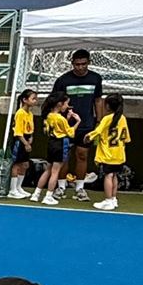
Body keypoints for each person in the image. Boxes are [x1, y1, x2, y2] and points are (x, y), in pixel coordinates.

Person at [52, 48, 102, 201]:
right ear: (72, 63)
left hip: (86, 125)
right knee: (64, 156)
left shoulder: (96, 79)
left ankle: (80, 188)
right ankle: (61, 187)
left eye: (83, 64)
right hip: (65, 126)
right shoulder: (63, 80)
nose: (80, 67)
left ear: (89, 63)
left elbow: (98, 100)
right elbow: (54, 102)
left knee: (82, 155)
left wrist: (99, 122)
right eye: (77, 64)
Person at [28, 92, 78, 206]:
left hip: (51, 143)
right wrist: (77, 122)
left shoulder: (49, 116)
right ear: (60, 104)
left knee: (48, 170)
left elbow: (58, 128)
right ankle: (48, 196)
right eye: (66, 104)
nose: (67, 106)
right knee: (55, 172)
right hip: (60, 144)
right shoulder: (60, 118)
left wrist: (67, 119)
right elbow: (70, 133)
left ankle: (36, 194)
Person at [83, 92, 130, 211]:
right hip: (119, 153)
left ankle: (108, 200)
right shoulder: (122, 118)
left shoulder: (107, 119)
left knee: (108, 176)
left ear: (108, 106)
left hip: (108, 154)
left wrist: (88, 137)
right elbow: (126, 137)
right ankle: (113, 198)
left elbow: (98, 131)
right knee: (114, 175)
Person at [7, 88, 37, 200]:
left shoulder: (30, 114)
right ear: (25, 100)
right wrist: (25, 143)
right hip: (20, 141)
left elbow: (30, 129)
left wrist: (31, 138)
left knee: (25, 164)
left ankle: (19, 187)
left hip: (27, 139)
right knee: (17, 164)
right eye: (33, 98)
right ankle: (12, 190)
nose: (35, 101)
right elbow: (18, 132)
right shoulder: (20, 113)